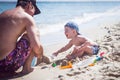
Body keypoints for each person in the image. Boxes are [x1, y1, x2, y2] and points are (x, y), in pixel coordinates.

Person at [0, 0, 44, 76]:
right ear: (30, 5)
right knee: (35, 32)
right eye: (34, 11)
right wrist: (41, 53)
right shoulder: (27, 18)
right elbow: (36, 47)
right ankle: (27, 68)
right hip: (6, 65)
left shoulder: (3, 14)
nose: (33, 15)